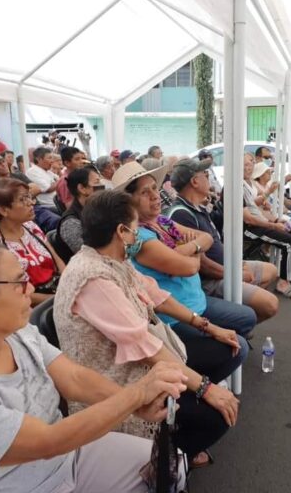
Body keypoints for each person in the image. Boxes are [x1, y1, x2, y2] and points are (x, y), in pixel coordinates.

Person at [0, 240, 185, 493]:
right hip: (13, 483)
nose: (30, 288)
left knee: (171, 466)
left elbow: (74, 378)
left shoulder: (12, 332)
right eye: (18, 282)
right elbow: (48, 441)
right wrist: (135, 395)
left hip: (58, 463)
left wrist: (135, 405)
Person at [55, 190, 241, 469]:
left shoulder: (110, 260)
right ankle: (163, 463)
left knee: (228, 350)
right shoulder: (92, 277)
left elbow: (153, 294)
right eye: (134, 228)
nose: (137, 235)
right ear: (121, 231)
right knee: (213, 416)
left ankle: (177, 442)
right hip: (117, 383)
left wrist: (208, 326)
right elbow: (144, 347)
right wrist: (206, 388)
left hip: (145, 365)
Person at [116, 162, 258, 338]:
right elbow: (190, 268)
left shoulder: (161, 221)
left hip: (195, 300)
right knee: (243, 331)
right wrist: (196, 250)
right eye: (145, 192)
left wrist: (185, 249)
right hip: (174, 317)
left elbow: (206, 237)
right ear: (129, 202)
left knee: (247, 317)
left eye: (154, 188)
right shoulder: (139, 236)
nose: (155, 196)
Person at [168, 159, 279, 322]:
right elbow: (203, 265)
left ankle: (237, 320)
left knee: (271, 270)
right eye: (205, 174)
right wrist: (235, 275)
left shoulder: (197, 207)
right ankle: (237, 323)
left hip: (225, 267)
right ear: (194, 182)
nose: (209, 178)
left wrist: (235, 265)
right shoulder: (181, 214)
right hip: (211, 279)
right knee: (270, 304)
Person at [0, 178, 65, 306]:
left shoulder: (31, 226)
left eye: (29, 197)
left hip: (57, 291)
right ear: (3, 210)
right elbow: (14, 292)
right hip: (30, 306)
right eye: (23, 199)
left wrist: (68, 284)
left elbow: (56, 259)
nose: (31, 203)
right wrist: (59, 299)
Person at [241, 154, 291, 299]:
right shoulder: (237, 187)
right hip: (249, 229)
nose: (249, 167)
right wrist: (273, 225)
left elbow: (258, 209)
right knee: (290, 243)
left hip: (261, 222)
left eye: (251, 163)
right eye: (245, 164)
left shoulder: (249, 184)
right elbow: (249, 219)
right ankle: (283, 283)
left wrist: (277, 220)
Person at [52, 167, 100, 263]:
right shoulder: (70, 223)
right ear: (82, 188)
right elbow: (89, 256)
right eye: (97, 183)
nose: (102, 187)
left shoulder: (98, 211)